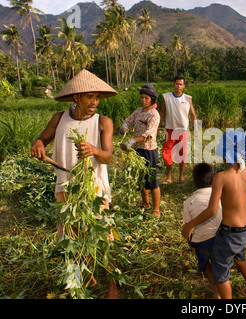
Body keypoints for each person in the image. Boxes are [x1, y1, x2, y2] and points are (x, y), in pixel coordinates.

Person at [30, 68, 119, 299]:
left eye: (98, 97)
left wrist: (94, 150)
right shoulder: (59, 119)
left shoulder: (103, 122)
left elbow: (108, 155)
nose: (95, 102)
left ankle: (112, 286)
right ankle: (81, 280)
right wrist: (39, 143)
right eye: (90, 96)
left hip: (94, 188)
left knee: (102, 237)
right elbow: (42, 138)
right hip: (66, 187)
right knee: (71, 237)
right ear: (76, 97)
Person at [182, 130, 246, 299]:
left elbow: (212, 210)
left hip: (229, 234)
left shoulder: (220, 177)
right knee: (240, 258)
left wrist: (190, 225)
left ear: (225, 154)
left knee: (220, 272)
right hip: (245, 231)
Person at [120, 84, 161, 217]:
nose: (143, 100)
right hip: (138, 151)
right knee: (141, 179)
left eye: (146, 98)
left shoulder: (154, 115)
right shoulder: (139, 111)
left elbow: (148, 134)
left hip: (149, 150)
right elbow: (129, 120)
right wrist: (125, 126)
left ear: (152, 99)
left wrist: (132, 141)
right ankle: (145, 203)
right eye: (142, 97)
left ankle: (156, 209)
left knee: (152, 180)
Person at [183, 163, 222, 298]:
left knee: (205, 264)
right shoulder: (220, 195)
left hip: (202, 241)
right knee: (220, 262)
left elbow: (188, 228)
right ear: (213, 179)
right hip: (222, 237)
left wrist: (191, 245)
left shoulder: (189, 201)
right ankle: (222, 283)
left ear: (194, 181)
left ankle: (216, 289)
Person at [159, 75, 198, 183]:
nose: (178, 86)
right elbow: (162, 112)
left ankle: (181, 177)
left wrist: (197, 129)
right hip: (170, 130)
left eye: (181, 84)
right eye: (177, 83)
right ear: (173, 84)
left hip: (183, 130)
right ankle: (169, 177)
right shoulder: (166, 97)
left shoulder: (187, 98)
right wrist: (158, 126)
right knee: (166, 153)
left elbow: (193, 114)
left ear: (184, 86)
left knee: (183, 153)